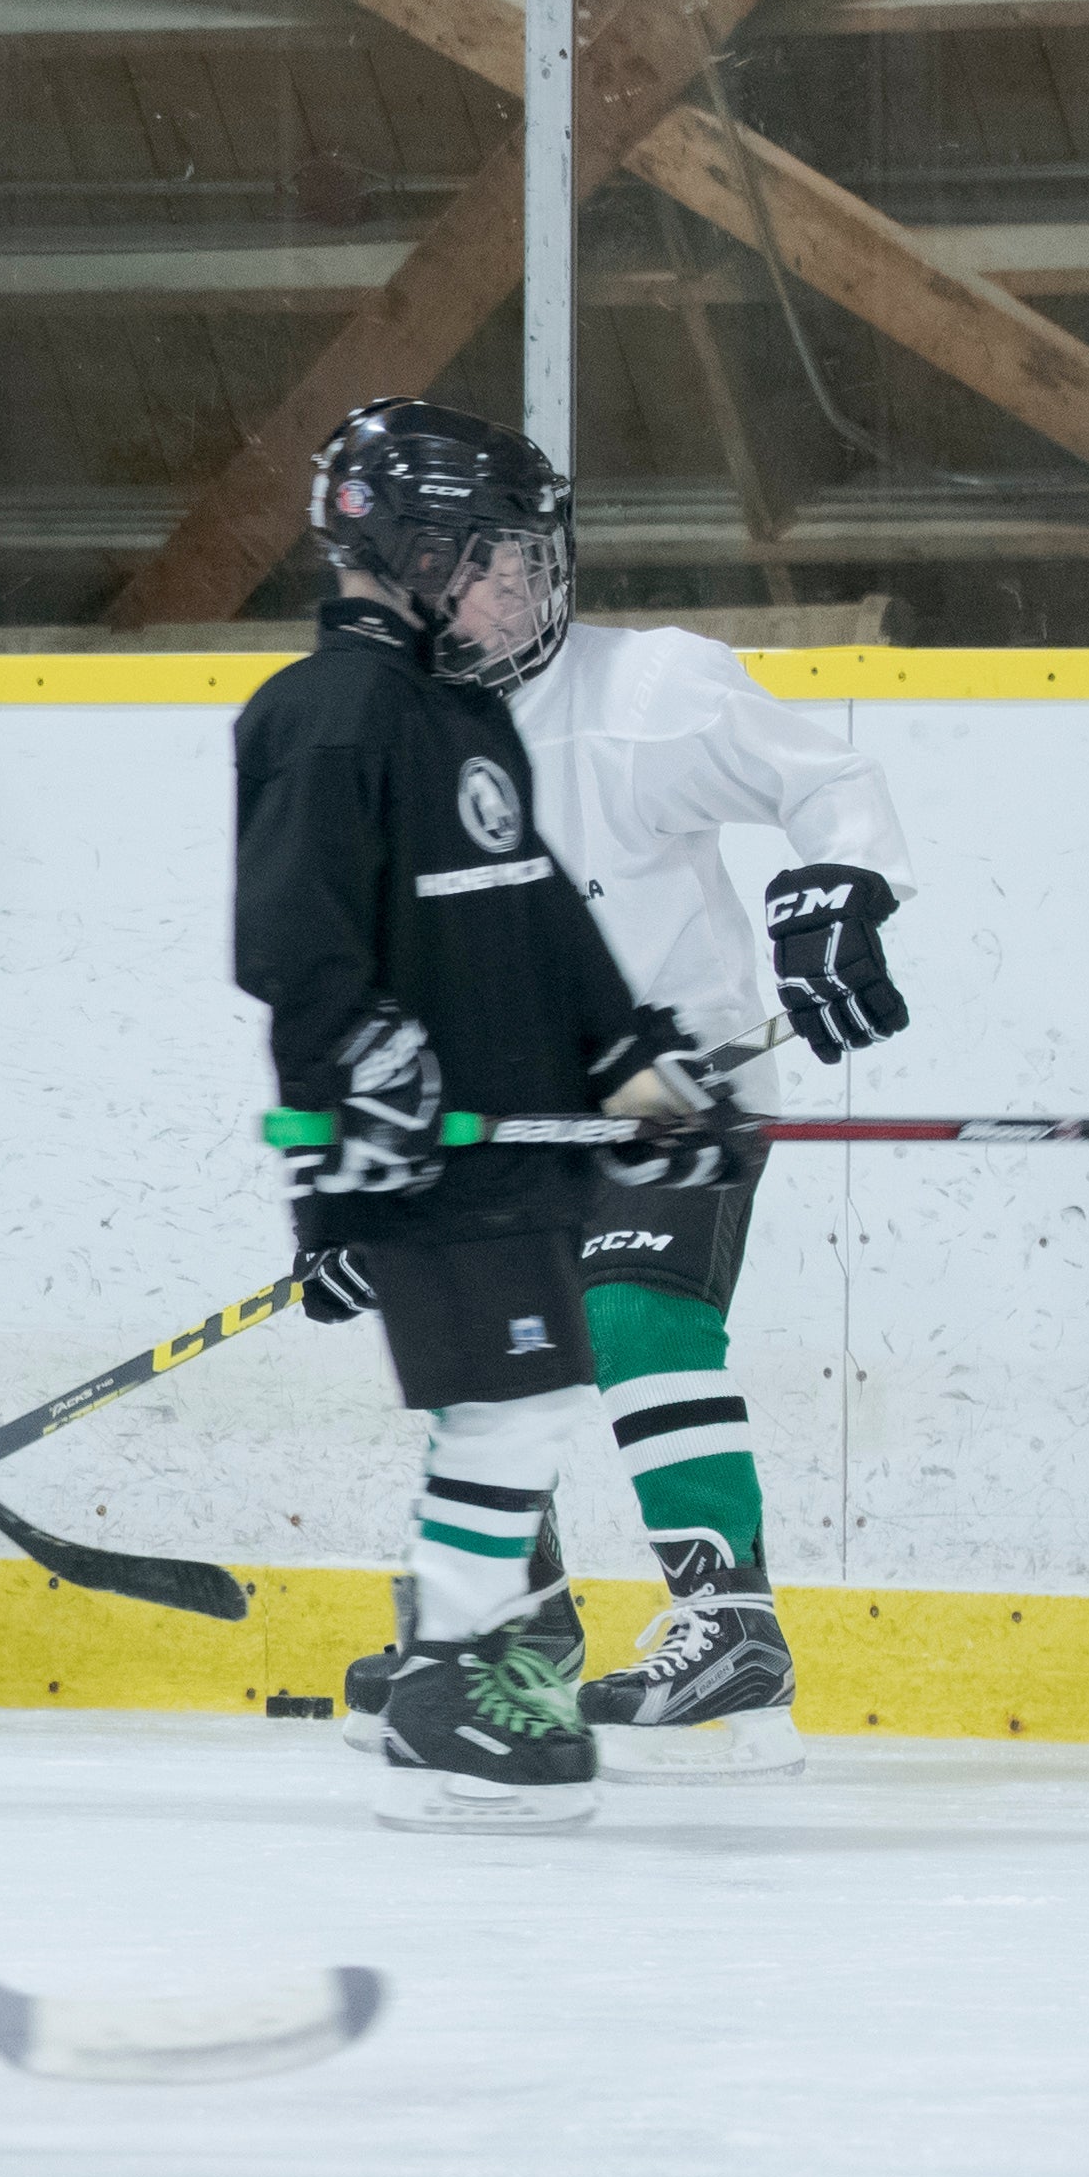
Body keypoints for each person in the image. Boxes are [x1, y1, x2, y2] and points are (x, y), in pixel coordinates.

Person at [240, 399, 726, 1836]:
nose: (526, 586)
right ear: (411, 549)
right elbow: (290, 942)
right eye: (503, 557)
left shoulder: (463, 720)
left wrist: (634, 1060)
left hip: (512, 1145)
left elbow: (540, 932)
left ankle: (454, 1654)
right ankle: (451, 1671)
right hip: (421, 1160)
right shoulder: (319, 719)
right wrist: (357, 1104)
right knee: (512, 1404)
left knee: (524, 1400)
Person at [440, 617, 917, 1781]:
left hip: (677, 1081)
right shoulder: (393, 734)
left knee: (633, 1311)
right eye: (456, 564)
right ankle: (518, 1641)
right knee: (476, 1340)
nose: (486, 593)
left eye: (508, 556)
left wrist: (834, 896)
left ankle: (733, 1632)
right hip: (512, 1097)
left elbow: (825, 780)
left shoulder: (645, 690)